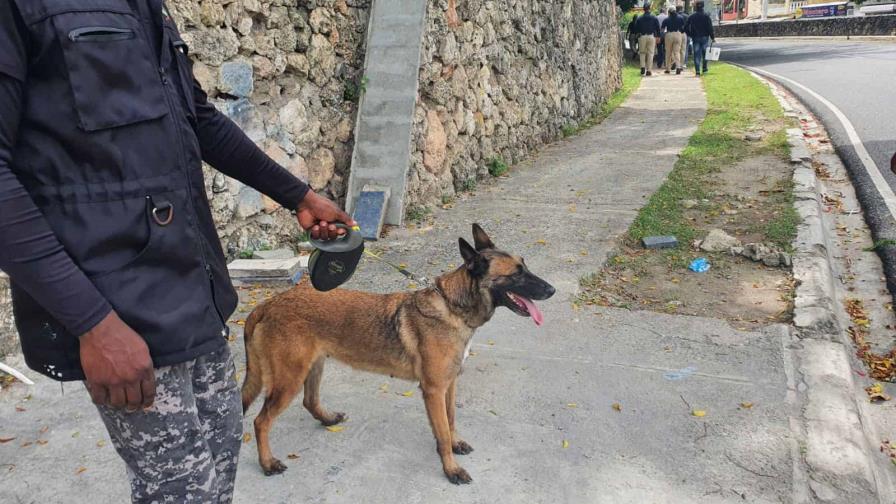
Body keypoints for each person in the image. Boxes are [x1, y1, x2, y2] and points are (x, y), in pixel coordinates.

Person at [0, 1, 356, 502]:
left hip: (194, 293)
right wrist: (92, 324)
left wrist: (296, 194)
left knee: (219, 465)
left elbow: (200, 119)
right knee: (182, 492)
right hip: (118, 317)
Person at [685, 0, 716, 76]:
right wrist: (712, 37)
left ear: (696, 7)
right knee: (705, 53)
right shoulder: (706, 16)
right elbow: (710, 28)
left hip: (695, 37)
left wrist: (690, 34)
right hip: (705, 37)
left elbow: (685, 27)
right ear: (703, 6)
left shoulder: (692, 16)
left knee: (697, 54)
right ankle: (704, 68)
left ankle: (697, 71)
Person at [634, 2, 662, 76]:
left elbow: (636, 28)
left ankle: (642, 67)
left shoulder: (639, 18)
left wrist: (637, 34)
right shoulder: (654, 17)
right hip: (651, 36)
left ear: (643, 9)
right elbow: (658, 28)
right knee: (650, 53)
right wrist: (658, 36)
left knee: (642, 52)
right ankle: (649, 70)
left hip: (642, 36)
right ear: (649, 8)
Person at [662, 8, 686, 75]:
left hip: (669, 34)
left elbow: (662, 29)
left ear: (669, 12)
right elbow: (682, 28)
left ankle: (667, 69)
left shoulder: (666, 19)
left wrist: (663, 35)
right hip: (678, 34)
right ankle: (678, 67)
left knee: (668, 53)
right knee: (677, 52)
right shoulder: (680, 18)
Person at [677, 5, 691, 70]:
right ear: (682, 9)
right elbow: (689, 26)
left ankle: (677, 63)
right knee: (685, 49)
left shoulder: (675, 16)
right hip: (686, 34)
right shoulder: (687, 16)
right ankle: (684, 63)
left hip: (677, 33)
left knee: (676, 50)